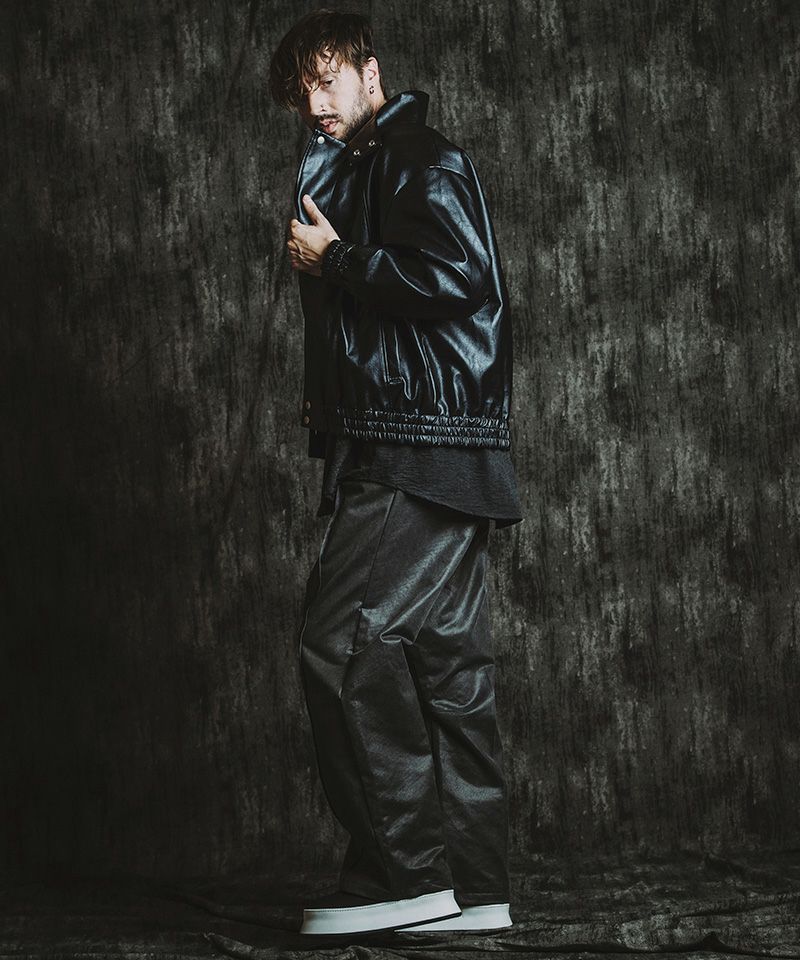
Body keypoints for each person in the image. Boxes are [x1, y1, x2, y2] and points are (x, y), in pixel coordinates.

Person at [269, 9, 524, 938]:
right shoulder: (373, 166)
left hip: (417, 447)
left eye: (327, 78)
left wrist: (335, 257)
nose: (315, 102)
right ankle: (473, 888)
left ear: (370, 74)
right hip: (438, 446)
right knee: (448, 667)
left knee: (338, 644)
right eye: (302, 91)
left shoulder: (418, 157)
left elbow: (458, 276)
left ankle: (401, 875)